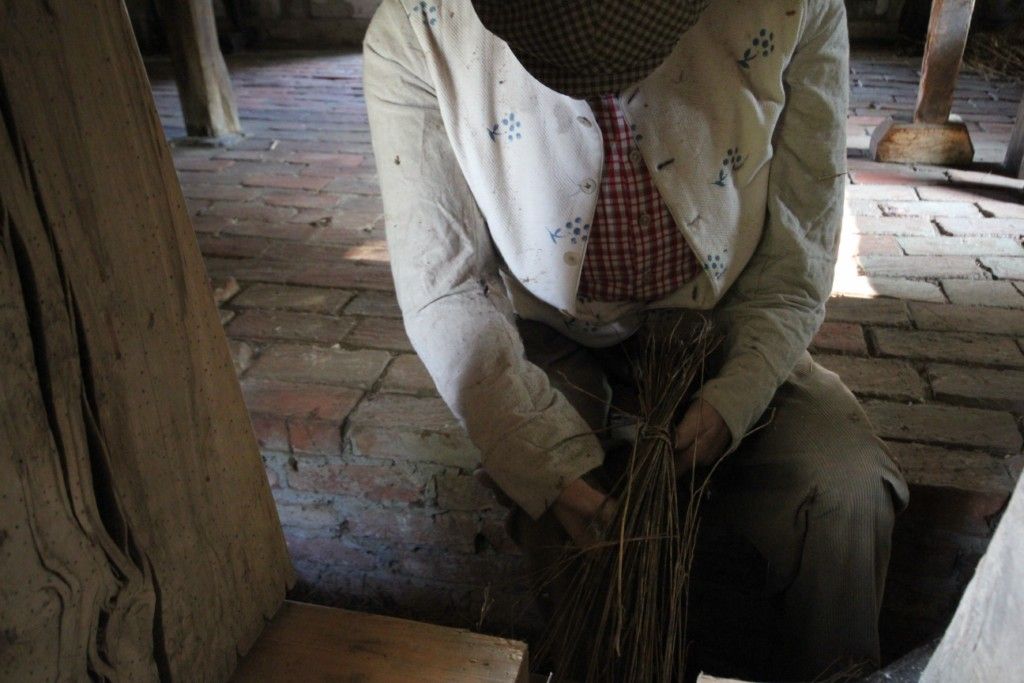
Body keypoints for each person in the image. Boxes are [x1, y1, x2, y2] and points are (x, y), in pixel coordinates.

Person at [363, 0, 909, 679]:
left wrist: (735, 396)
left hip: (725, 318)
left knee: (844, 484)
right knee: (566, 527)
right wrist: (547, 460)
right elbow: (445, 288)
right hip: (555, 334)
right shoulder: (418, 28)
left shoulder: (796, 8)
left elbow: (797, 256)